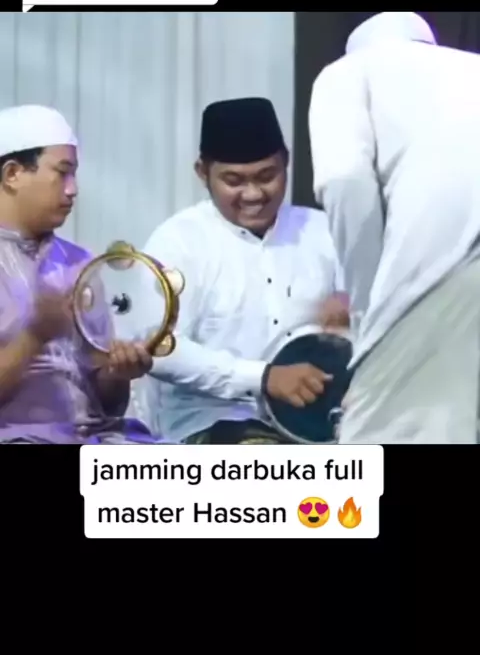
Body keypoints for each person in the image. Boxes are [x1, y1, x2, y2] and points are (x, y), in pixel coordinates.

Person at [128, 96, 348, 444]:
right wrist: (263, 378)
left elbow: (372, 320)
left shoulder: (324, 231)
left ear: (287, 162)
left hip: (324, 419)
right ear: (203, 173)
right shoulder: (178, 242)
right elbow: (161, 348)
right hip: (216, 420)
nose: (253, 194)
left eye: (267, 176)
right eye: (234, 180)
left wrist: (353, 316)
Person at [308, 11, 480, 445]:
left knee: (378, 443)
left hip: (446, 262)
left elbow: (344, 181)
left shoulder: (348, 72)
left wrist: (369, 316)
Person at [0, 104, 164, 444]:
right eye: (62, 173)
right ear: (12, 174)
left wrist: (119, 372)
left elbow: (110, 406)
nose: (73, 189)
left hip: (99, 440)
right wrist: (33, 337)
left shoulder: (80, 263)